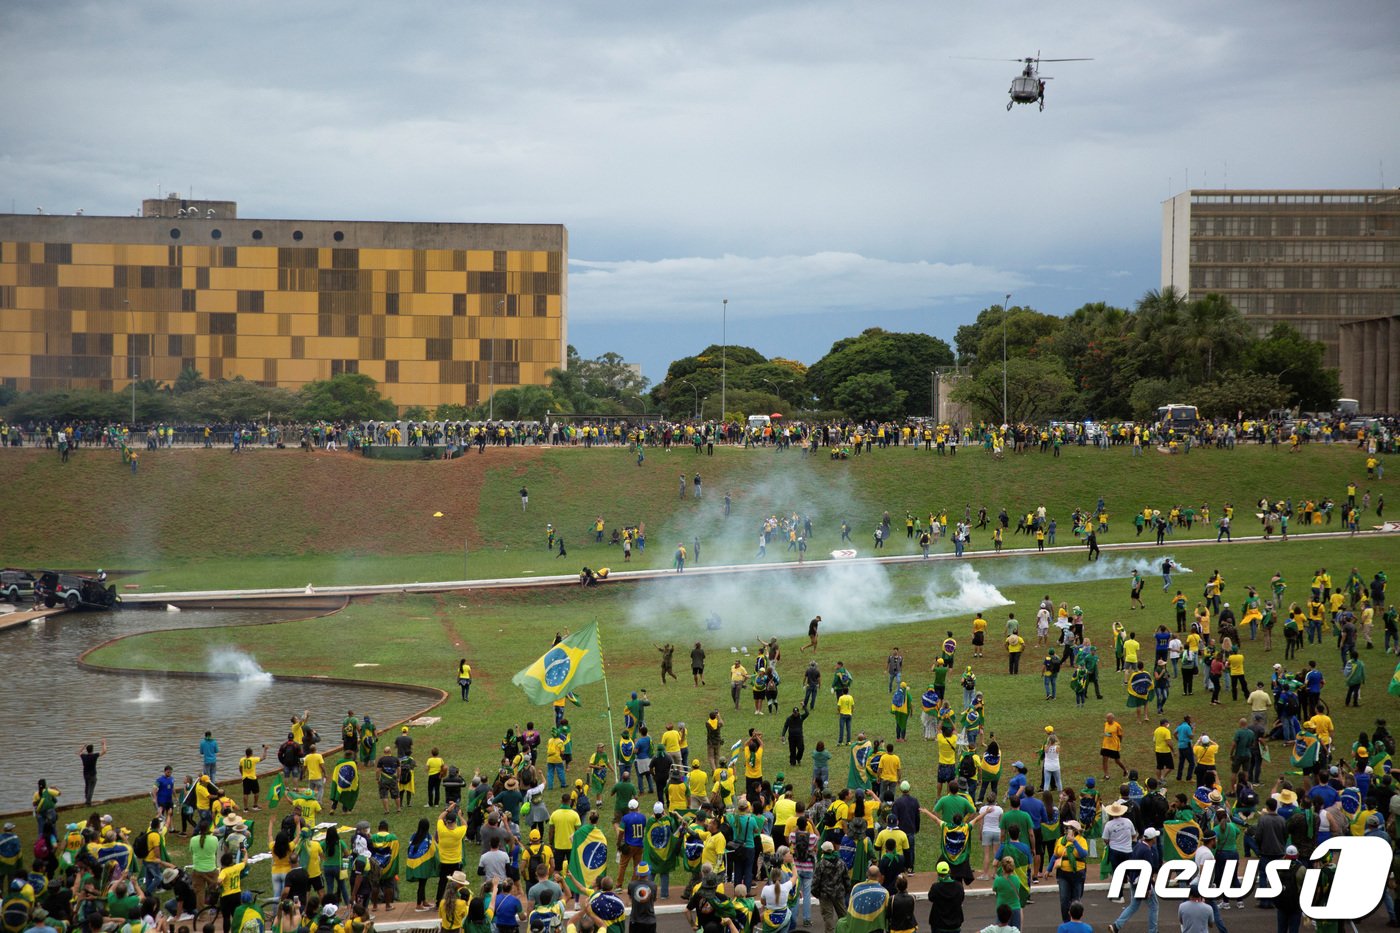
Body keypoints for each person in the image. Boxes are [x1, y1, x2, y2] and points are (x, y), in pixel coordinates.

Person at [78, 739, 106, 807]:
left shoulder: (84, 756)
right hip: (92, 775)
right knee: (91, 789)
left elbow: (80, 752)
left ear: (87, 750)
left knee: (87, 787)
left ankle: (87, 800)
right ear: (92, 750)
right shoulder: (94, 756)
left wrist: (83, 746)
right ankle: (88, 803)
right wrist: (103, 744)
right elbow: (104, 751)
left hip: (85, 775)